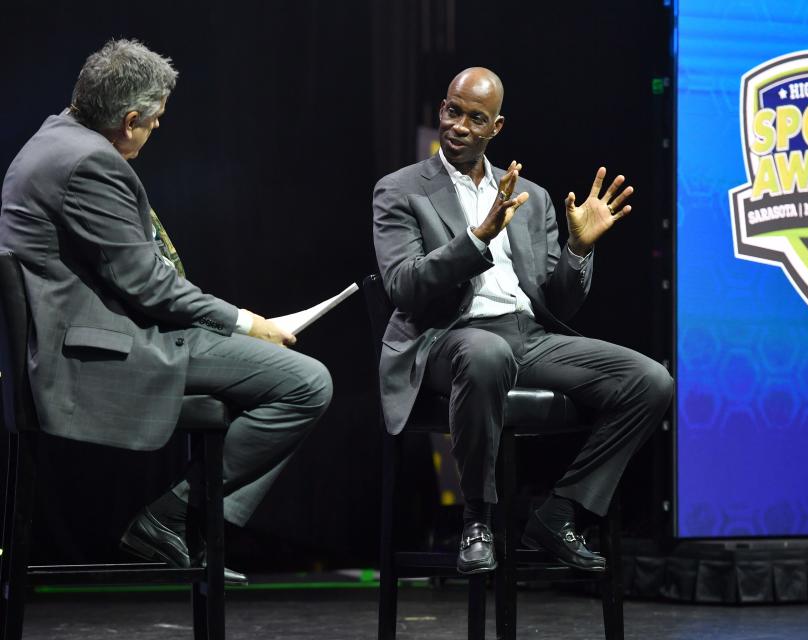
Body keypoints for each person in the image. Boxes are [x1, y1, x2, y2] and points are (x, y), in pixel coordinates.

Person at [0, 39, 332, 584]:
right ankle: (177, 518)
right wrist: (246, 321)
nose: (157, 130)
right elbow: (149, 286)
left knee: (278, 375)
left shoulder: (53, 139)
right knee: (306, 382)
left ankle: (185, 527)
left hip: (85, 333)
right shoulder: (90, 163)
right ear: (130, 119)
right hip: (98, 353)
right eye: (154, 121)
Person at [373, 67, 674, 574]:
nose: (460, 126)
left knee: (649, 381)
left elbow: (558, 303)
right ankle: (477, 519)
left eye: (476, 118)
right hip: (446, 337)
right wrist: (475, 240)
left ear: (497, 127)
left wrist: (578, 249)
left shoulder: (527, 197)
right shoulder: (401, 190)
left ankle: (560, 513)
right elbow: (405, 286)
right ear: (441, 109)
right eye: (453, 111)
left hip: (527, 336)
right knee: (485, 354)